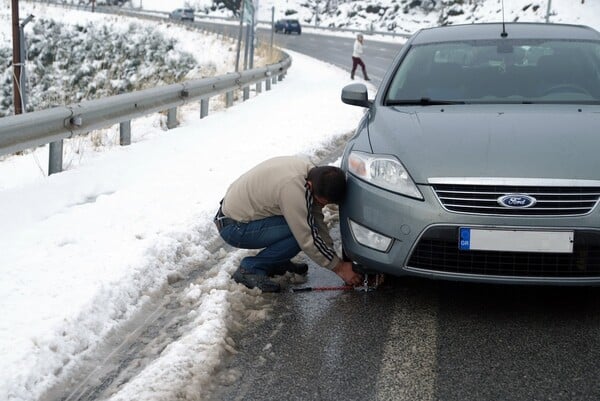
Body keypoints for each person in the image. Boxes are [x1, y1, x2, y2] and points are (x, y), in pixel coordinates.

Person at [214, 156, 363, 293]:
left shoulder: (313, 175)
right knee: (299, 231)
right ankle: (249, 269)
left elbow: (315, 215)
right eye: (322, 202)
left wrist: (334, 255)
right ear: (310, 186)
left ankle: (275, 262)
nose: (321, 206)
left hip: (240, 216)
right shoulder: (293, 188)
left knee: (305, 224)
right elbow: (307, 237)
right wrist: (339, 268)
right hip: (235, 228)